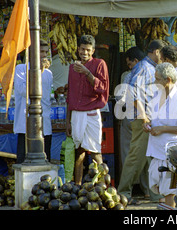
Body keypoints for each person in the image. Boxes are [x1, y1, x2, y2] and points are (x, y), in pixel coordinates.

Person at [117, 40, 165, 204]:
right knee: (136, 156)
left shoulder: (150, 68)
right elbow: (132, 94)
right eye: (163, 54)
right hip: (141, 118)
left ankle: (154, 194)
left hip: (148, 117)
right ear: (157, 52)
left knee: (150, 157)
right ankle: (123, 193)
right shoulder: (144, 67)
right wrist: (143, 116)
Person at [143, 62, 177, 209]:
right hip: (157, 152)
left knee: (170, 194)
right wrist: (147, 125)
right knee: (161, 191)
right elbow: (151, 119)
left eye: (158, 79)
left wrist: (163, 129)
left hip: (173, 155)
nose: (155, 82)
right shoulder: (156, 96)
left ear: (168, 80)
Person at [66, 35, 109, 185]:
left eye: (88, 50)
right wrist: (68, 122)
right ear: (78, 50)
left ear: (93, 51)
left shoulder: (99, 64)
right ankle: (77, 186)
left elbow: (102, 88)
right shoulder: (72, 68)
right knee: (79, 152)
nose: (85, 52)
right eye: (82, 49)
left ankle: (103, 186)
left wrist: (87, 73)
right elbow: (70, 96)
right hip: (76, 114)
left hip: (91, 114)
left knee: (96, 152)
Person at [117, 46, 151, 199]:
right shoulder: (150, 69)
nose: (128, 67)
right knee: (144, 155)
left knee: (132, 154)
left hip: (134, 117)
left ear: (135, 60)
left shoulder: (132, 73)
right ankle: (147, 191)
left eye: (129, 63)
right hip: (144, 117)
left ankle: (126, 191)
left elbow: (122, 98)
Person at [14, 40, 53, 164]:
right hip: (25, 123)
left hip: (44, 122)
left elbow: (47, 97)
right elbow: (23, 91)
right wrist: (39, 71)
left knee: (45, 160)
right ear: (32, 52)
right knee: (23, 160)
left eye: (46, 52)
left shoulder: (49, 73)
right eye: (41, 51)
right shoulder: (21, 69)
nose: (44, 55)